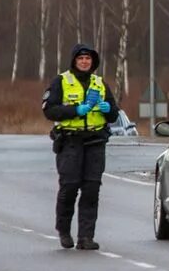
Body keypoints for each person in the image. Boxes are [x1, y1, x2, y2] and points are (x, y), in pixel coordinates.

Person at [41, 42, 119, 250]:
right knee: (69, 187)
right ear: (74, 61)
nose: (85, 62)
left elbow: (113, 114)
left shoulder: (100, 83)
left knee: (91, 189)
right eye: (80, 59)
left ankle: (86, 237)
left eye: (88, 59)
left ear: (93, 62)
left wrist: (108, 108)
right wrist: (76, 110)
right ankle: (64, 230)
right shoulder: (61, 81)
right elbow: (49, 110)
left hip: (95, 141)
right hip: (70, 142)